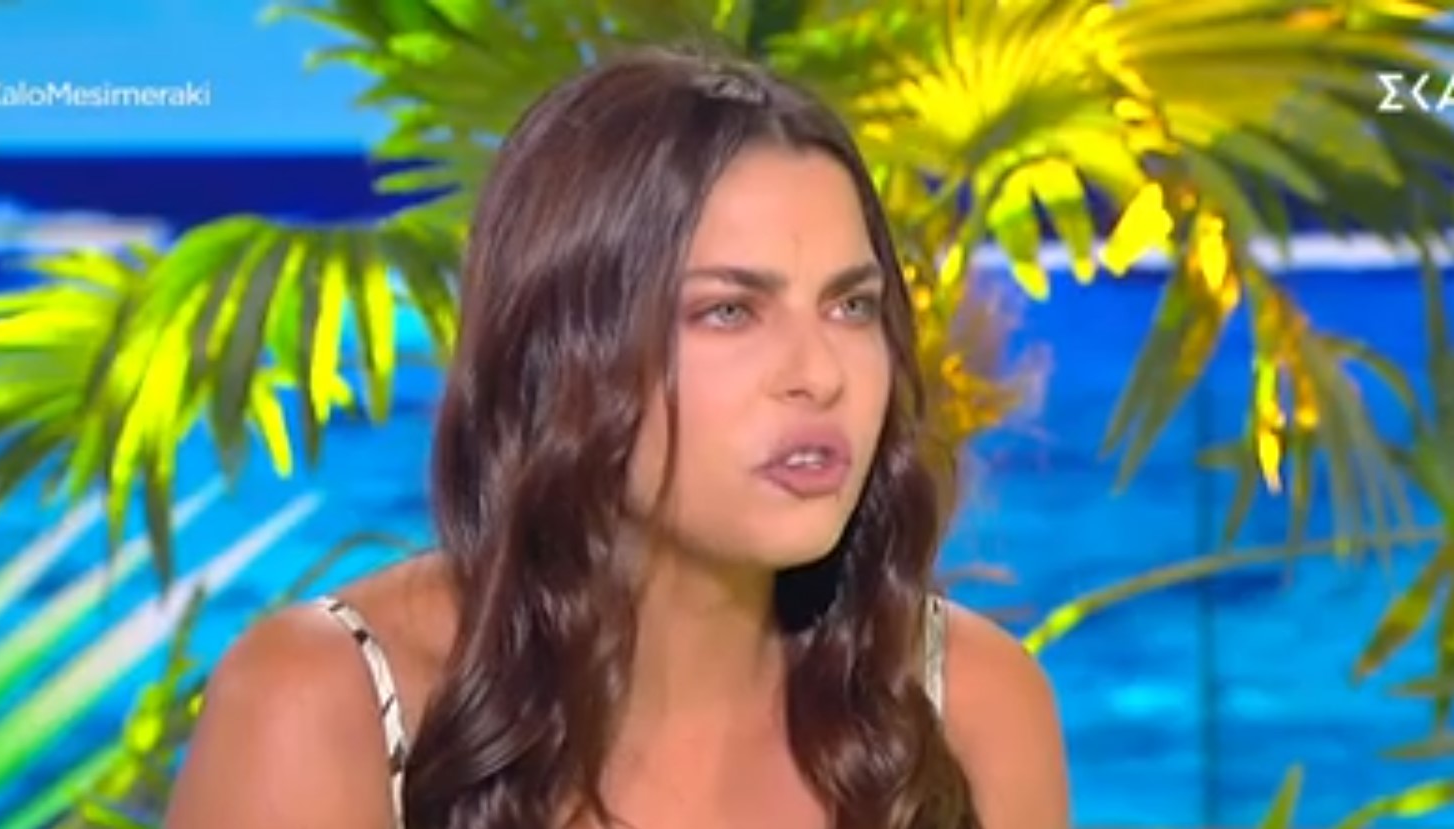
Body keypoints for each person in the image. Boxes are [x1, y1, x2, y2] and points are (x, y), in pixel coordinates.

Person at [164, 43, 1068, 829]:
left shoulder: (969, 708)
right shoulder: (326, 707)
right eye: (729, 310)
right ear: (564, 351)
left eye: (851, 305)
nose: (820, 372)